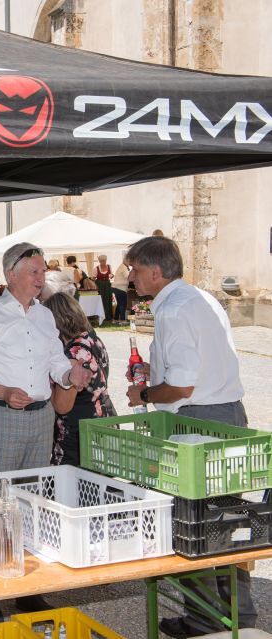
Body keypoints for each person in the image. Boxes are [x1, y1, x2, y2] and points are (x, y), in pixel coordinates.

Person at [123, 236, 257, 638]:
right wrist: (154, 372)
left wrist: (144, 394)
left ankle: (205, 620)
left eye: (134, 270)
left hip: (197, 422)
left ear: (155, 272)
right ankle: (239, 615)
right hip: (227, 413)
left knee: (191, 522)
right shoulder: (201, 299)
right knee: (225, 519)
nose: (130, 278)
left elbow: (182, 388)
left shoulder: (173, 310)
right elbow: (199, 367)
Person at [0, 242, 90, 620]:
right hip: (1, 416)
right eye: (34, 271)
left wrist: (70, 374)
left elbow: (55, 364)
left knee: (32, 501)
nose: (41, 277)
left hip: (42, 416)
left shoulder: (45, 316)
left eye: (43, 270)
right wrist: (2, 392)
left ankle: (27, 588)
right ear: (10, 274)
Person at [42, 293, 116, 466]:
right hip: (105, 423)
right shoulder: (92, 340)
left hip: (78, 435)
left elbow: (62, 406)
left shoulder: (73, 354)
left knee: (70, 482)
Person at [94, 254, 114, 320]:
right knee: (101, 300)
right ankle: (100, 316)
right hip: (100, 285)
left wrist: (112, 275)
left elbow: (111, 275)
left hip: (107, 285)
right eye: (102, 261)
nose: (103, 262)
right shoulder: (96, 268)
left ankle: (108, 316)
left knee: (108, 299)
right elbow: (93, 278)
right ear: (99, 261)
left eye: (104, 260)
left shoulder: (109, 266)